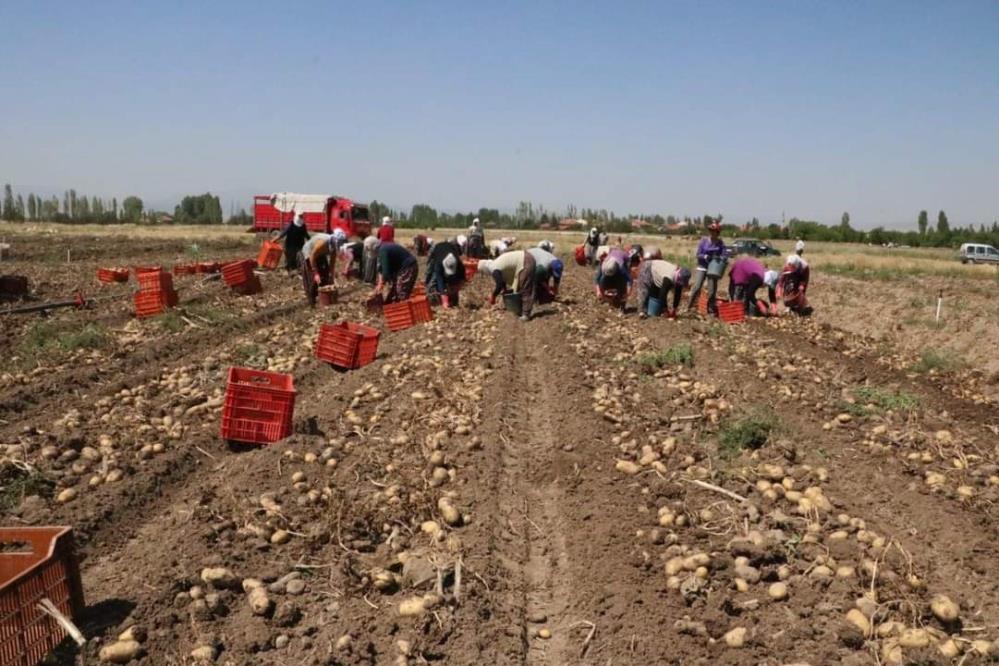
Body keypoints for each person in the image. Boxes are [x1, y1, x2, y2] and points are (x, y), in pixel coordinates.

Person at [478, 249, 536, 321]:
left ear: (484, 269)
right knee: (521, 286)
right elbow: (502, 281)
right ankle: (522, 309)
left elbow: (499, 284)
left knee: (525, 288)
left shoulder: (493, 268)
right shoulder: (495, 264)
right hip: (526, 258)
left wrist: (493, 296)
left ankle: (526, 314)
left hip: (525, 261)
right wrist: (505, 290)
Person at [687, 222, 727, 315]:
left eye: (715, 231)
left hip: (713, 268)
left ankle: (711, 309)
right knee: (697, 287)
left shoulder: (720, 243)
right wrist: (704, 256)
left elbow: (724, 254)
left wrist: (720, 257)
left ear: (718, 232)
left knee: (712, 290)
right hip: (702, 266)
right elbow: (698, 254)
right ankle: (689, 306)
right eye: (711, 231)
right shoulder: (704, 241)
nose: (712, 233)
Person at [299, 232, 339, 306]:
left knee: (325, 274)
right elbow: (312, 256)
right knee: (312, 278)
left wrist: (331, 275)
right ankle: (312, 301)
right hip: (309, 253)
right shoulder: (322, 243)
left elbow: (332, 263)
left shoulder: (335, 246)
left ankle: (324, 297)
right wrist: (315, 272)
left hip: (320, 254)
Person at [425, 240, 466, 308]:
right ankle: (434, 299)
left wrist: (457, 287)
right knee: (432, 277)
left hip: (450, 248)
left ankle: (454, 301)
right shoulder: (439, 264)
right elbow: (439, 279)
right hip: (437, 251)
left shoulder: (458, 263)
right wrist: (443, 296)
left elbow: (462, 276)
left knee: (453, 280)